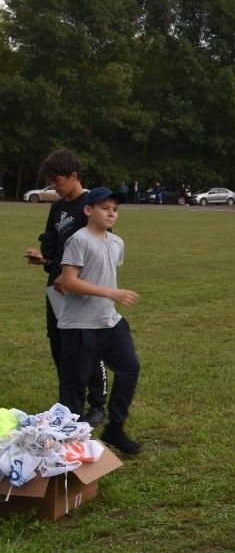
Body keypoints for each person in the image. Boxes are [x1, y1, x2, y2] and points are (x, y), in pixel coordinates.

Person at [55, 187, 144, 456]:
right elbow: (68, 281)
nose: (111, 213)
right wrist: (111, 293)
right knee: (74, 387)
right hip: (79, 326)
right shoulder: (78, 240)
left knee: (130, 368)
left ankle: (114, 428)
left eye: (115, 209)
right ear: (88, 210)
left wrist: (109, 296)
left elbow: (103, 272)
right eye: (105, 208)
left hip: (109, 322)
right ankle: (65, 446)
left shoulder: (117, 243)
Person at [24, 150, 108, 427]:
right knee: (60, 346)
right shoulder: (57, 207)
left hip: (82, 290)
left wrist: (73, 274)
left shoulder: (93, 204)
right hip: (56, 290)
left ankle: (97, 405)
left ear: (73, 176)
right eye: (50, 180)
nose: (54, 185)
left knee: (87, 347)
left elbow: (100, 247)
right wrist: (45, 260)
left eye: (57, 179)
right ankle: (69, 405)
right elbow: (53, 243)